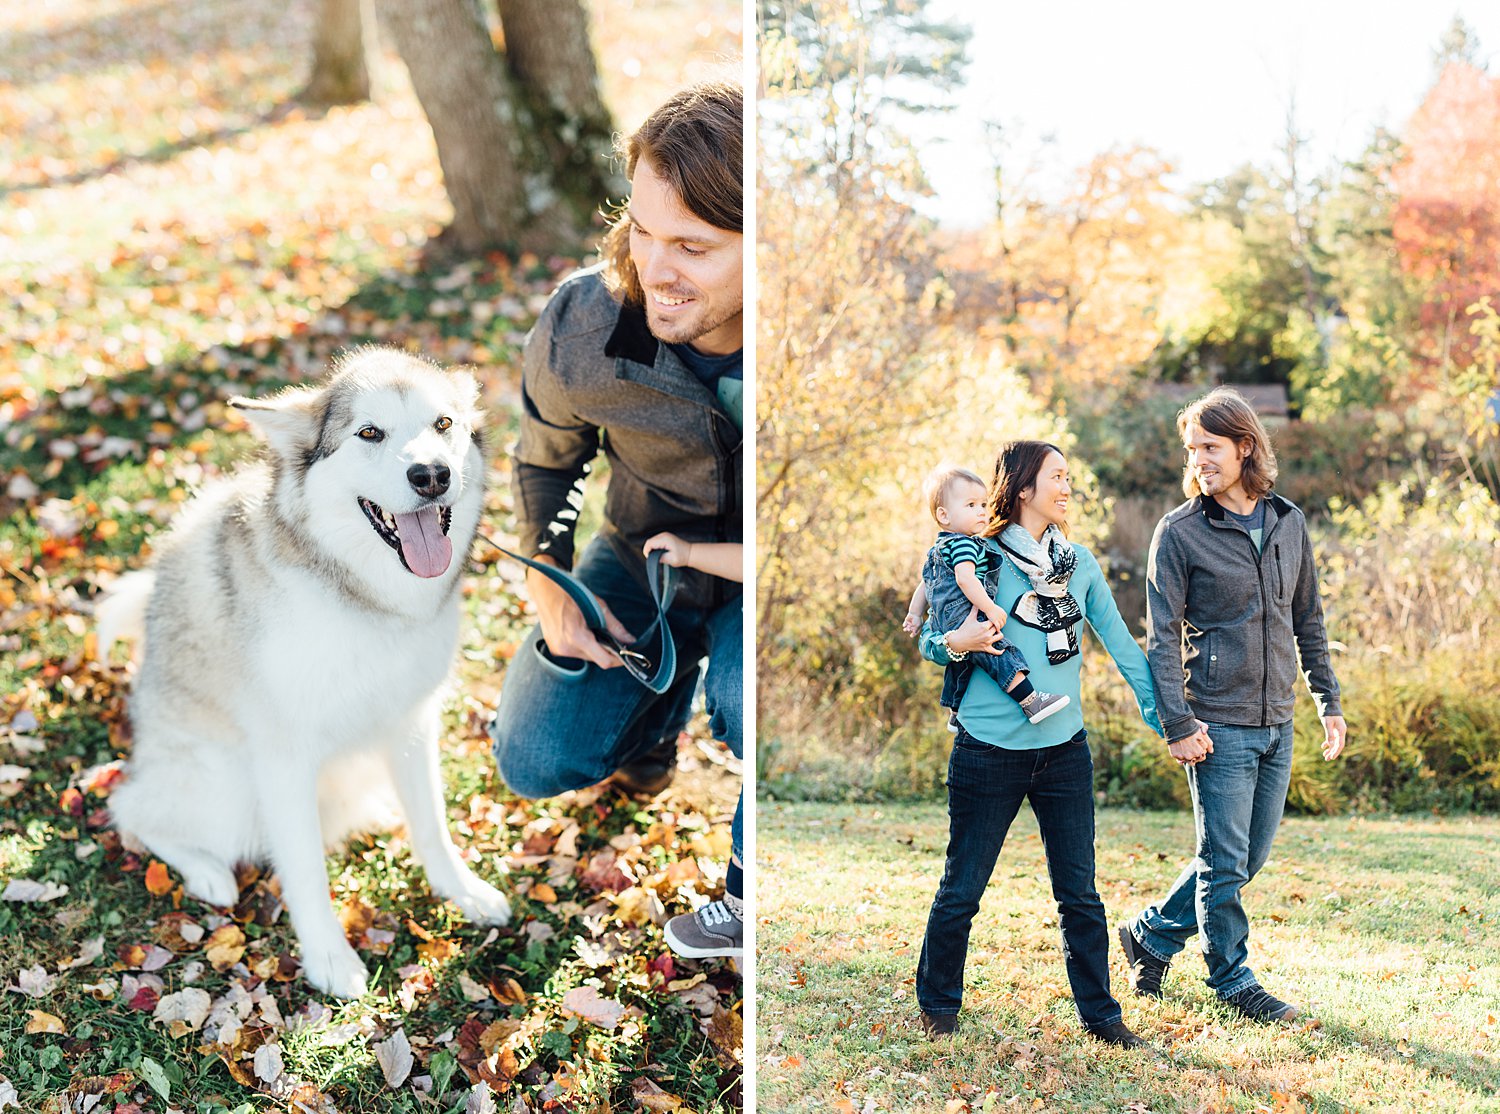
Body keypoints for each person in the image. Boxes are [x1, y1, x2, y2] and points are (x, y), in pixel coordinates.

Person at [488, 81, 744, 959]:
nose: (655, 268)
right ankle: (652, 720)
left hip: (763, 575)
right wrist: (548, 579)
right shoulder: (586, 325)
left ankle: (753, 889)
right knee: (532, 755)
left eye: (694, 247)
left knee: (753, 708)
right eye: (641, 228)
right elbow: (547, 460)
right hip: (644, 554)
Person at [914, 440, 1164, 1048]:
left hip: (1064, 754)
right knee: (963, 890)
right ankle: (939, 1007)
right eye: (1058, 476)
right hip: (987, 752)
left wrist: (1165, 716)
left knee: (1079, 894)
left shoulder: (1078, 565)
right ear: (1024, 488)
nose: (1068, 485)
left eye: (1070, 475)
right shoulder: (975, 556)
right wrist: (959, 642)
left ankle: (1103, 1020)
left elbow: (1124, 646)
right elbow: (929, 639)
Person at [1116, 387, 1346, 1023]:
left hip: (1279, 720)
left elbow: (1309, 618)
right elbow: (1161, 639)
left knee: (1244, 859)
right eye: (1192, 450)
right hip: (1216, 722)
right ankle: (1232, 981)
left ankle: (1151, 935)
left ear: (1246, 447)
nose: (1199, 460)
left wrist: (1327, 698)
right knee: (1223, 861)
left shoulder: (1288, 522)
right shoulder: (1181, 532)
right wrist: (1178, 723)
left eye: (1210, 447)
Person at [903, 464, 1070, 728]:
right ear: (944, 515)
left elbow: (926, 584)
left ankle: (956, 712)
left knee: (963, 665)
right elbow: (965, 578)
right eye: (970, 505)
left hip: (941, 620)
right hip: (962, 614)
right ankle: (1030, 701)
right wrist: (990, 608)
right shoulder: (963, 544)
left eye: (983, 504)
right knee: (998, 651)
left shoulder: (939, 547)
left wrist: (914, 613)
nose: (981, 512)